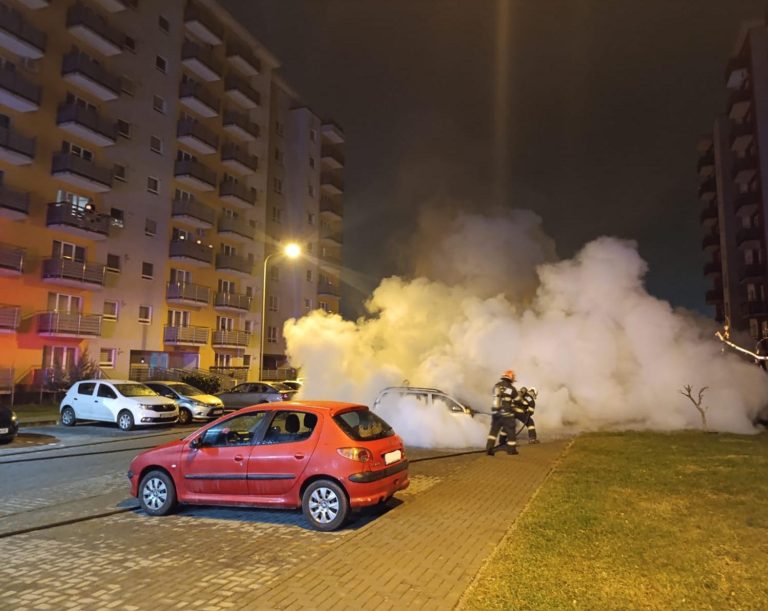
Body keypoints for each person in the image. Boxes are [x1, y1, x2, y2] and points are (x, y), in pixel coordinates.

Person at [486, 369, 520, 456]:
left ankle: (489, 449)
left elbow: (495, 396)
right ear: (511, 379)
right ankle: (511, 450)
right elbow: (518, 400)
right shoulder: (512, 389)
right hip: (507, 415)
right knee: (511, 432)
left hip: (496, 414)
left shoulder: (496, 386)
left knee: (493, 432)